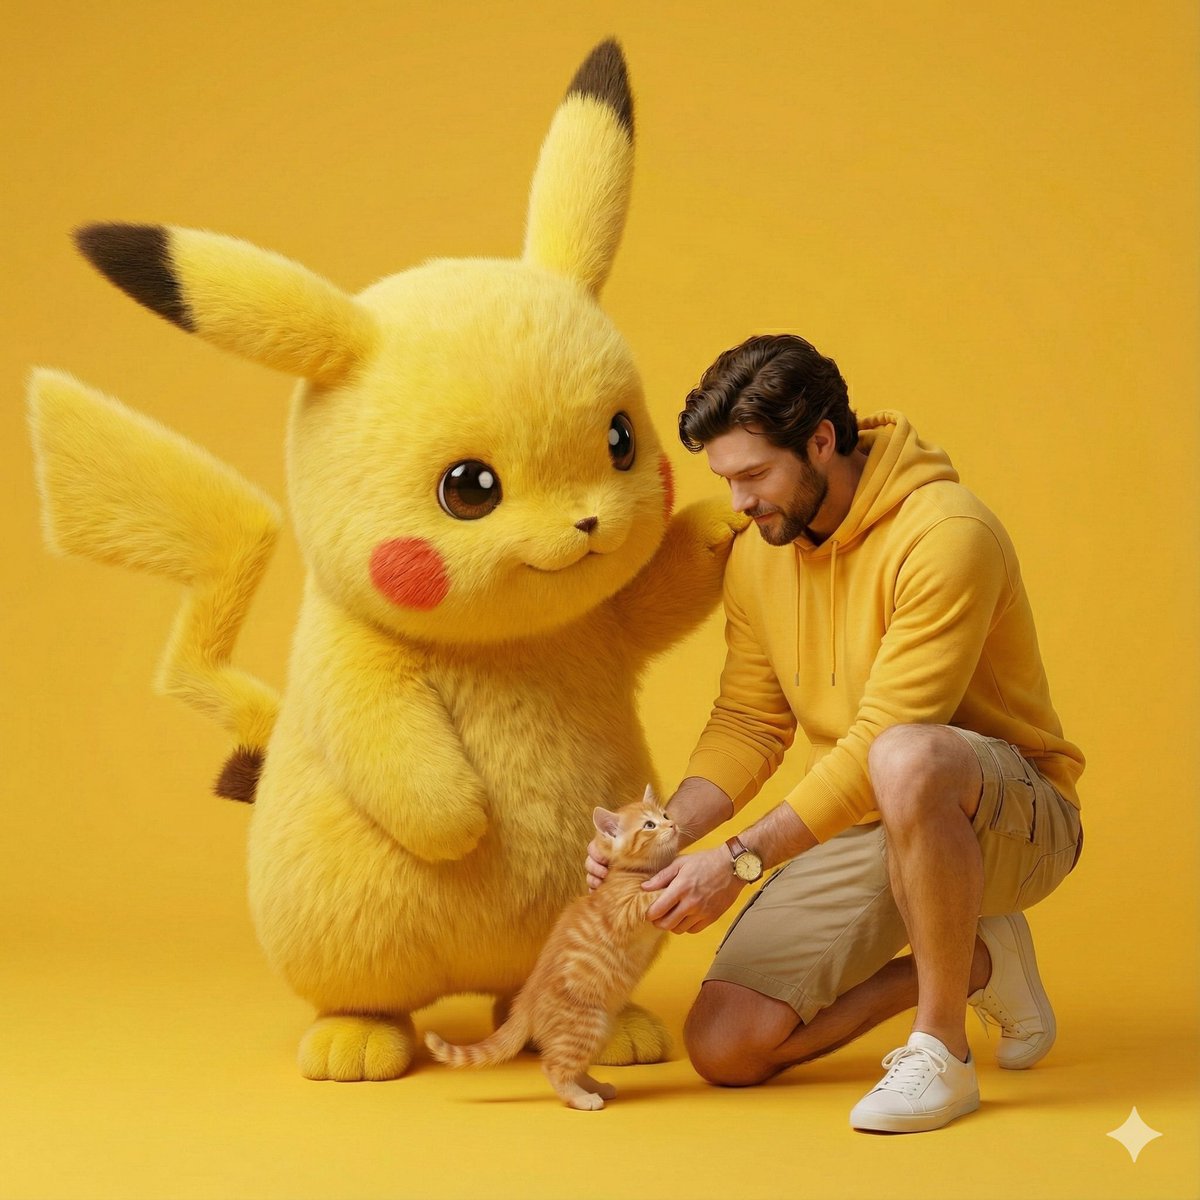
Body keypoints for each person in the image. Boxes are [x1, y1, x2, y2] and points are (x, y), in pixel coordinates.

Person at [586, 333, 1084, 1133]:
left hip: (1010, 818)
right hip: (865, 818)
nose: (739, 502)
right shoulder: (759, 552)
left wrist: (739, 861)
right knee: (728, 1048)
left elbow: (886, 739)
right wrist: (666, 836)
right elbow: (749, 721)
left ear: (822, 440)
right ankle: (980, 961)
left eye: (754, 475)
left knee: (907, 754)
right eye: (727, 479)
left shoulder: (946, 535)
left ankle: (943, 1050)